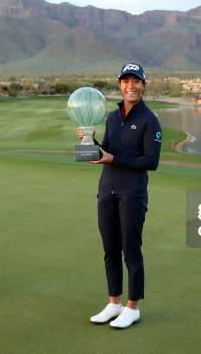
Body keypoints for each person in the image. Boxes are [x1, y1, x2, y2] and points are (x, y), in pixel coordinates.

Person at [76, 63, 162, 329]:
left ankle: (132, 307)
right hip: (107, 190)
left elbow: (151, 161)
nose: (130, 86)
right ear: (120, 86)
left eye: (136, 81)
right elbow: (108, 151)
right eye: (126, 81)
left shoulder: (149, 120)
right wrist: (90, 143)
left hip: (132, 193)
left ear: (143, 86)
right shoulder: (113, 118)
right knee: (110, 249)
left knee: (131, 251)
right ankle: (113, 302)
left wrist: (114, 158)